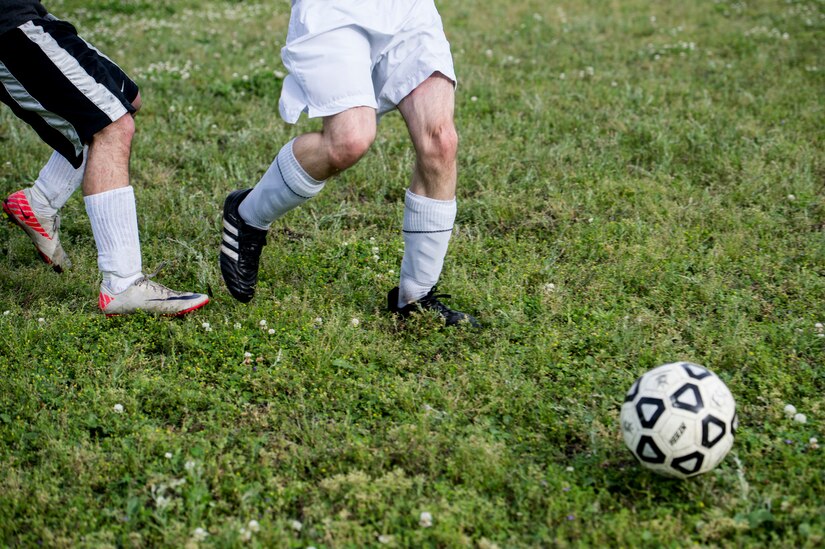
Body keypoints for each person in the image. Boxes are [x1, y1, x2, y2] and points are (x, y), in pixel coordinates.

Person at [220, 0, 479, 327]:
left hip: (407, 9)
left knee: (441, 142)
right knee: (348, 142)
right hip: (336, 10)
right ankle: (249, 215)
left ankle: (415, 298)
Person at [1, 1, 209, 316]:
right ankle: (122, 284)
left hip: (30, 13)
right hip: (8, 27)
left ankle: (39, 203)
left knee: (127, 99)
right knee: (112, 126)